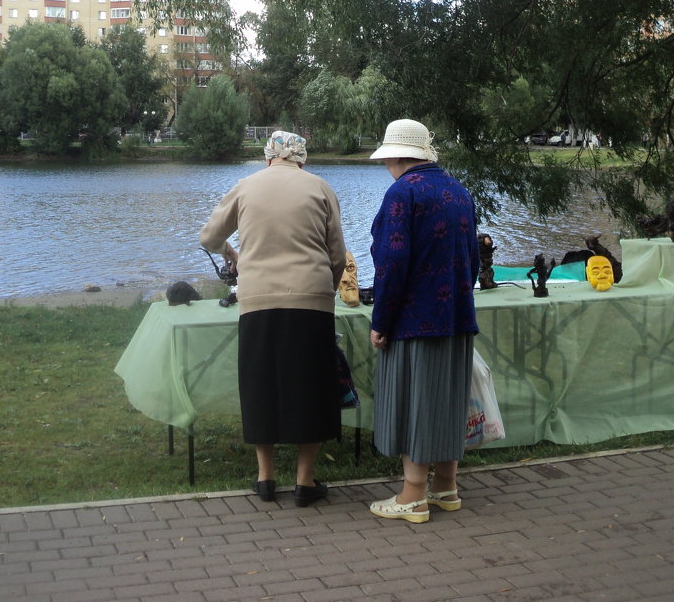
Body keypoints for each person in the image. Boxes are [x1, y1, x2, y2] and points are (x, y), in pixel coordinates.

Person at [199, 130, 347, 506]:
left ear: (268, 158)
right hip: (310, 297)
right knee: (309, 386)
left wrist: (232, 253)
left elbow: (209, 238)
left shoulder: (245, 187)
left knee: (259, 382)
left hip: (257, 297)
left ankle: (265, 478)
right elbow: (337, 255)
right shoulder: (321, 188)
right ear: (302, 159)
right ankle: (304, 482)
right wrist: (326, 289)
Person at [367, 119, 480, 524]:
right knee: (448, 400)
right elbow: (474, 256)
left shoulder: (403, 193)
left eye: (387, 159)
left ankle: (412, 496)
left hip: (414, 320)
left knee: (413, 402)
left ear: (398, 156)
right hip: (457, 317)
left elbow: (392, 262)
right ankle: (446, 487)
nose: (386, 167)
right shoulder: (458, 190)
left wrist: (381, 320)